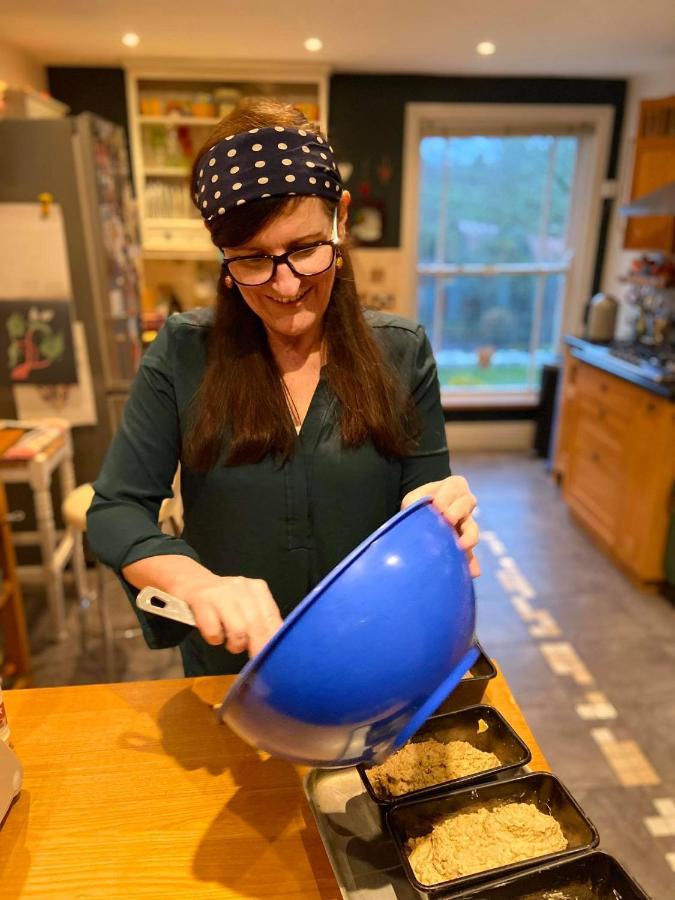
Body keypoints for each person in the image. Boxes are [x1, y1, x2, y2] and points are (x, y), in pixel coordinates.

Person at [87, 98, 480, 677]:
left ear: (340, 219)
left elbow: (423, 499)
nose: (285, 285)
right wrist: (194, 582)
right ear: (221, 251)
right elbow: (116, 510)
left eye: (305, 249)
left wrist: (443, 515)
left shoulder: (402, 351)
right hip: (234, 669)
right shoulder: (183, 353)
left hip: (372, 660)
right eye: (251, 260)